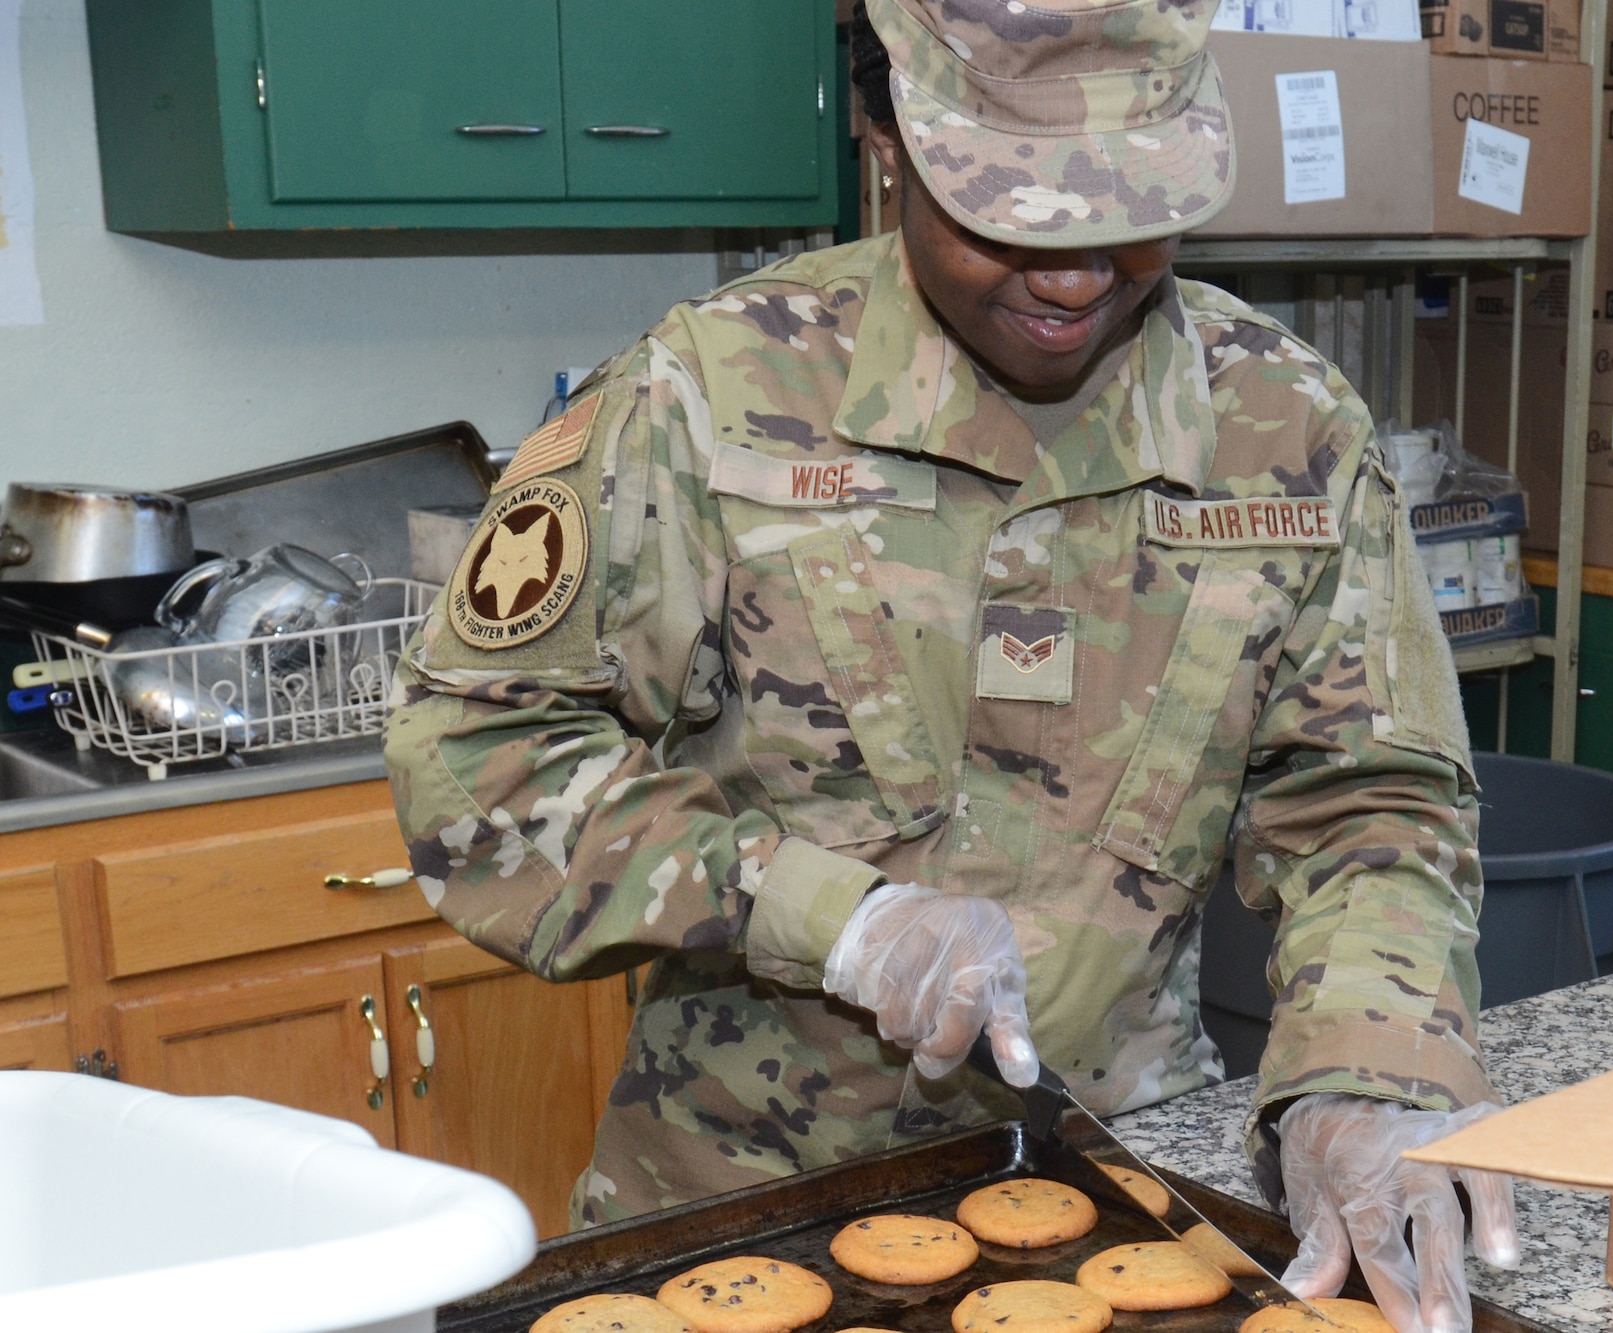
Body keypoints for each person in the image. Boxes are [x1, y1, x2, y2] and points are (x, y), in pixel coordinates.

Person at [384, 2, 1517, 1329]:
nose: (1077, 273)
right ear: (884, 134)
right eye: (1012, 211)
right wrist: (834, 915)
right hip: (741, 1202)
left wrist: (1365, 1065)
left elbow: (1374, 802)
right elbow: (477, 758)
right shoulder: (708, 400)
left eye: (1129, 210)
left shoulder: (1287, 431)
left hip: (1121, 1176)